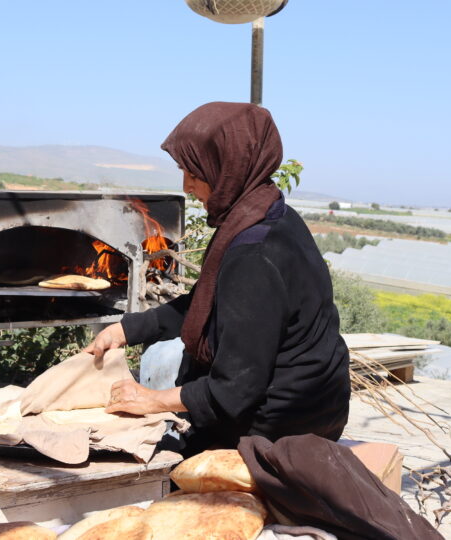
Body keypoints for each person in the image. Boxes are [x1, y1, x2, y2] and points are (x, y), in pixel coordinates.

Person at [84, 102, 350, 456]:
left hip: (283, 426)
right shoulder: (268, 214)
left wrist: (151, 401)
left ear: (228, 167)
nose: (187, 186)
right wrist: (127, 330)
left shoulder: (254, 253)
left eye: (195, 172)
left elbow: (235, 390)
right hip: (320, 407)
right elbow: (205, 304)